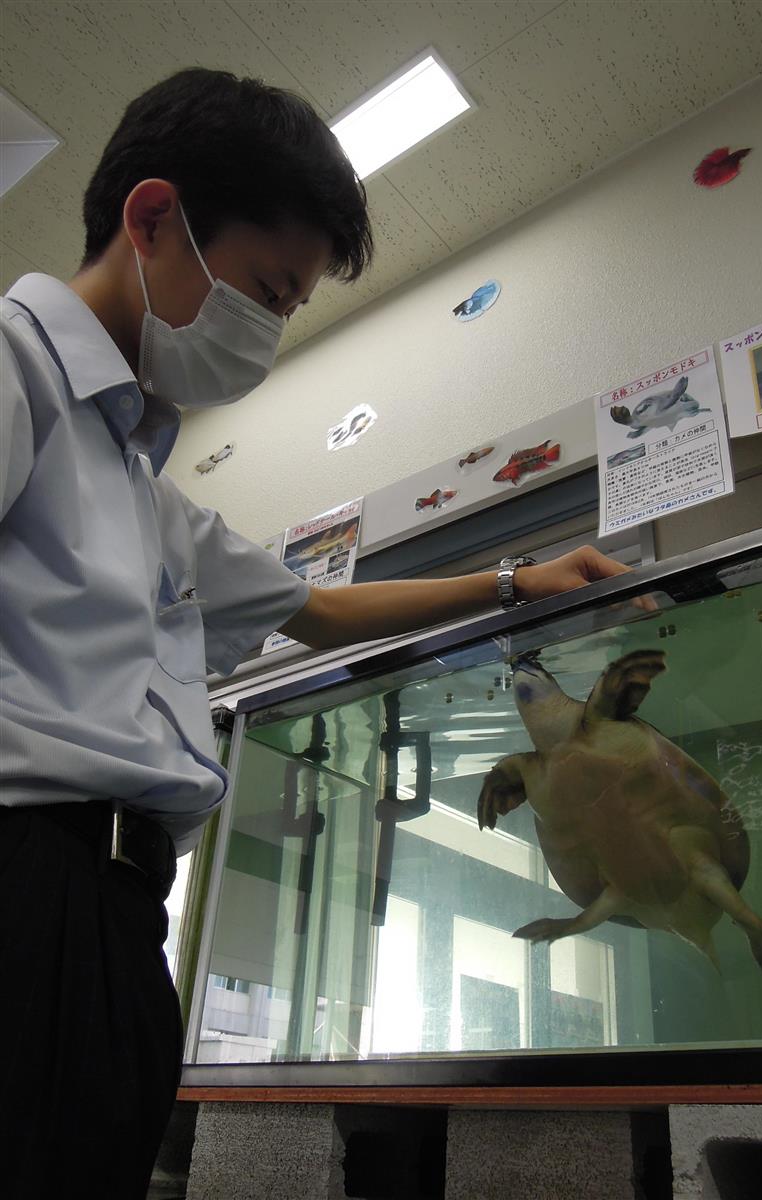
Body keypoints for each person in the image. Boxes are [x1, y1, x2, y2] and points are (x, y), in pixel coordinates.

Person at [0, 68, 640, 1199]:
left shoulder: (142, 487)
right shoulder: (14, 365)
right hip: (28, 885)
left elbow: (325, 607)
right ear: (154, 220)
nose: (268, 331)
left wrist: (512, 580)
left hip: (116, 919)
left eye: (290, 310)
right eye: (266, 287)